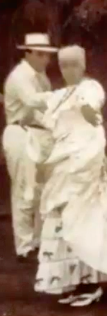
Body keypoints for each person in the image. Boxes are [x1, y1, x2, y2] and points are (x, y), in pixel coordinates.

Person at [32, 45, 107, 307]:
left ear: (83, 66)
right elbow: (50, 122)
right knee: (64, 221)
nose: (69, 70)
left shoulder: (90, 88)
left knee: (87, 221)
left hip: (85, 160)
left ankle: (92, 282)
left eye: (74, 64)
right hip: (63, 162)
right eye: (64, 66)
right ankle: (74, 280)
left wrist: (87, 113)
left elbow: (92, 114)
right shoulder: (59, 95)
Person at [2, 33, 57, 262]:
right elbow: (34, 101)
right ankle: (24, 246)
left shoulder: (40, 77)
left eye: (47, 55)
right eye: (41, 54)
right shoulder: (20, 76)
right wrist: (64, 95)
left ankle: (37, 240)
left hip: (37, 134)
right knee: (24, 190)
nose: (46, 59)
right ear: (29, 53)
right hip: (19, 133)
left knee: (40, 190)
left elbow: (43, 112)